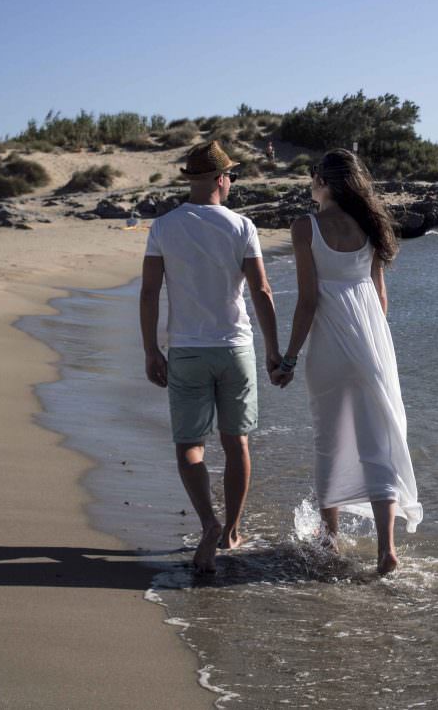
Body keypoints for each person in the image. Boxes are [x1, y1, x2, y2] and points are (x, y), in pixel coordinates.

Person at [273, 148, 421, 576]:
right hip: (374, 346)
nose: (310, 183)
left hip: (330, 349)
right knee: (379, 444)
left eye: (312, 176)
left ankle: (330, 536)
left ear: (324, 180)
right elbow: (381, 300)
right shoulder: (372, 226)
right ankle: (386, 549)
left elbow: (307, 301)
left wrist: (289, 357)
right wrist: (373, 344)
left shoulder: (306, 227)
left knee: (330, 439)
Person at [140, 141, 282, 574]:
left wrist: (150, 348)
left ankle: (207, 521)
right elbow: (261, 291)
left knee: (189, 446)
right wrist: (274, 350)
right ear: (222, 179)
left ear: (192, 180)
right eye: (230, 176)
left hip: (186, 348)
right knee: (236, 442)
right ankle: (231, 531)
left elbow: (149, 291)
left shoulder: (163, 227)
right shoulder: (242, 226)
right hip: (234, 347)